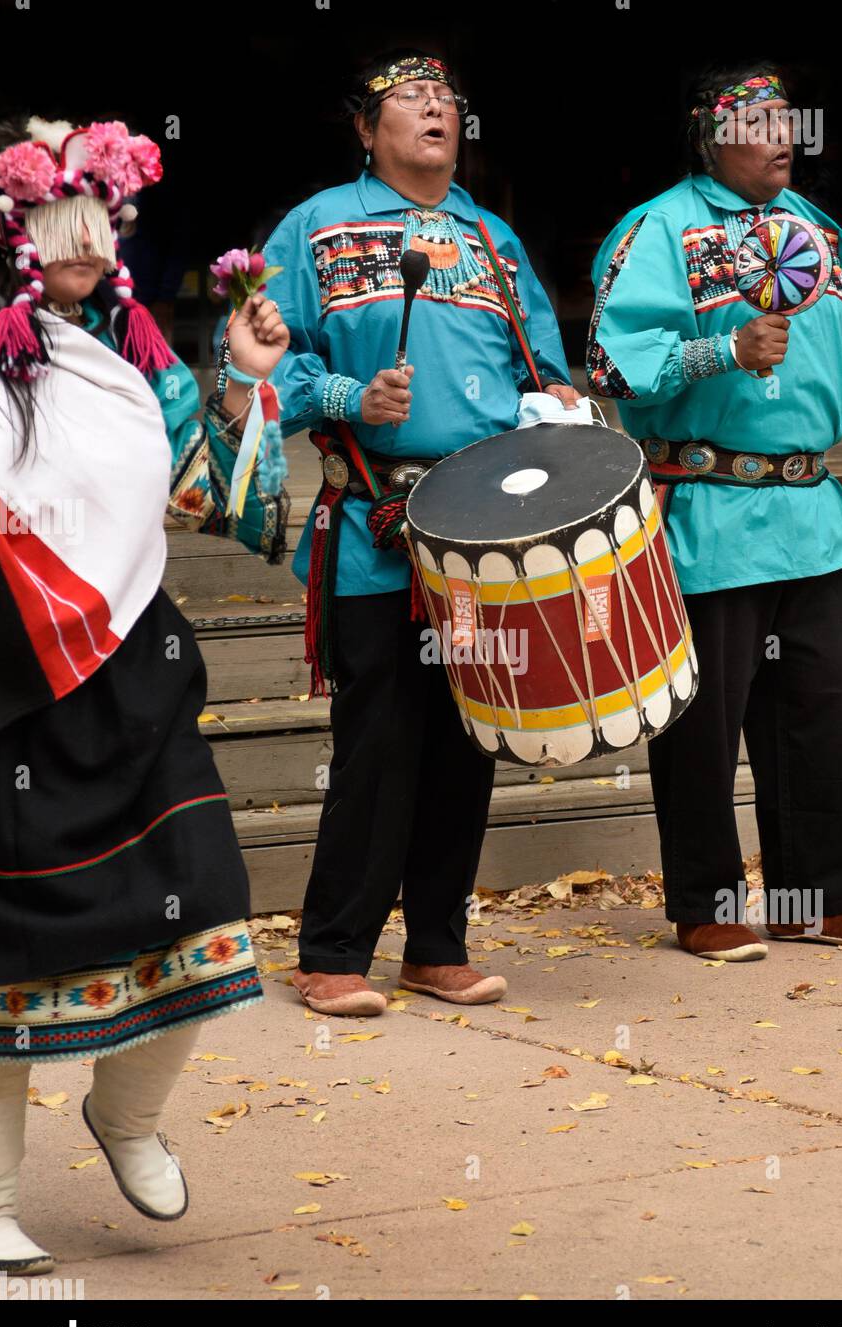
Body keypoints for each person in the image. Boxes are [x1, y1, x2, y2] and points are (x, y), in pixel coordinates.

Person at [0, 115, 289, 1273]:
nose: (77, 244)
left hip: (133, 668)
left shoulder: (132, 361)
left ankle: (123, 1112)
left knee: (205, 893)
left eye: (94, 222)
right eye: (49, 222)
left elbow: (198, 493)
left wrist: (235, 387)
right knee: (11, 950)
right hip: (15, 677)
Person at [262, 50, 579, 1016]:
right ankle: (334, 950)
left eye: (448, 99)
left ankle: (437, 943)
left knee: (464, 739)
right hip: (376, 524)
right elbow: (258, 371)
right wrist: (352, 395)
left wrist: (557, 401)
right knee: (379, 741)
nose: (436, 109)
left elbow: (545, 365)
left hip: (484, 531)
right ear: (366, 128)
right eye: (411, 98)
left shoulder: (493, 238)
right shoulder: (314, 226)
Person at [587, 63, 842, 962]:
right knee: (702, 724)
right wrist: (721, 349)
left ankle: (812, 898)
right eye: (761, 121)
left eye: (789, 121)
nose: (783, 136)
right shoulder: (659, 229)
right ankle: (705, 903)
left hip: (811, 513)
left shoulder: (816, 232)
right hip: (709, 510)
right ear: (710, 135)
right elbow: (613, 366)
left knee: (815, 713)